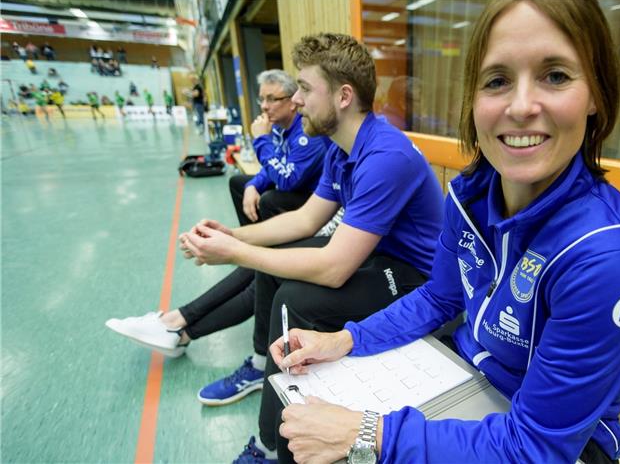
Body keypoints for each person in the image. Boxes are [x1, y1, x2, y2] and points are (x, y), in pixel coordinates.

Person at [269, 0, 620, 464]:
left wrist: (368, 432)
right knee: (303, 421)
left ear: (596, 94)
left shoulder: (610, 259)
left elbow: (535, 447)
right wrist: (346, 339)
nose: (521, 107)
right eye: (497, 81)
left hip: (549, 442)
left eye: (555, 75)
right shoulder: (469, 195)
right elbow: (439, 298)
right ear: (473, 102)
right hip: (461, 375)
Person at [106, 32, 445, 461]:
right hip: (379, 256)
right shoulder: (344, 149)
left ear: (343, 96)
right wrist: (233, 235)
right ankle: (258, 366)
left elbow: (334, 268)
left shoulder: (385, 155)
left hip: (416, 279)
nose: (296, 99)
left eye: (304, 88)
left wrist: (233, 252)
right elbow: (304, 219)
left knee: (295, 296)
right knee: (275, 266)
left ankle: (272, 448)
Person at [229, 69, 329, 226]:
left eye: (271, 99)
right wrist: (252, 186)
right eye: (261, 99)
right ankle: (253, 240)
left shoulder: (307, 134)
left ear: (291, 103)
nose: (264, 106)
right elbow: (275, 163)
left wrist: (262, 140)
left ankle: (272, 247)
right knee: (238, 183)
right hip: (291, 183)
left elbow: (287, 180)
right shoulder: (277, 126)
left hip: (313, 198)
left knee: (270, 199)